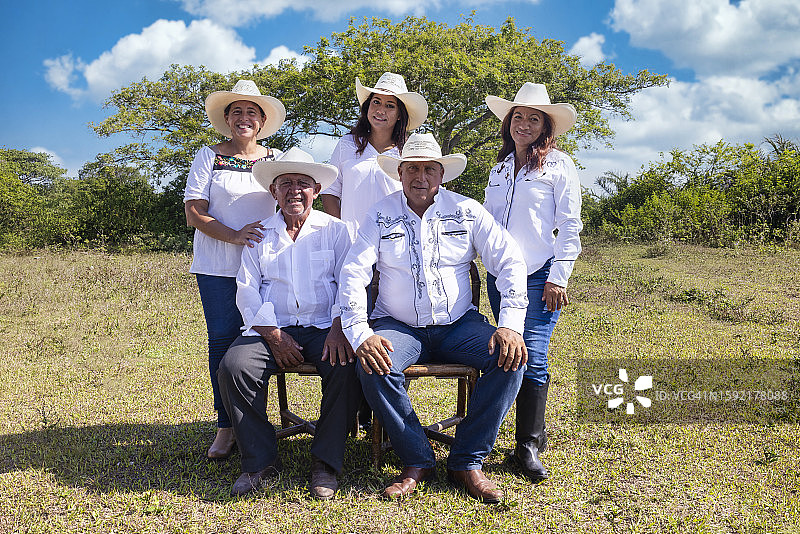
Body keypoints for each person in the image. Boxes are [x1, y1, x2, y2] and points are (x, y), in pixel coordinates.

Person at [338, 133, 530, 503]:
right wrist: (360, 332)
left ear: (441, 174)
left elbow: (509, 261)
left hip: (459, 325)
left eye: (429, 169)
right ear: (400, 172)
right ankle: (417, 459)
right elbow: (353, 273)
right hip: (398, 325)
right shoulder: (379, 214)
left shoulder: (466, 210)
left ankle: (467, 460)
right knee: (373, 365)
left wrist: (509, 324)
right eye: (412, 169)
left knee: (511, 359)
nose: (420, 177)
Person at [217, 147, 358, 499]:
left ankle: (325, 463)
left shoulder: (337, 230)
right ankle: (259, 462)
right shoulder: (259, 233)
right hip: (271, 328)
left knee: (345, 366)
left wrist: (341, 328)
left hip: (326, 325)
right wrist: (273, 334)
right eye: (286, 183)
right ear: (274, 192)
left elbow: (350, 284)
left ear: (316, 191)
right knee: (234, 366)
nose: (295, 190)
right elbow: (247, 289)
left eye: (303, 183)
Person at [483, 82, 583, 481]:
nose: (524, 124)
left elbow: (570, 226)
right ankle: (534, 435)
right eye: (518, 117)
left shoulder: (559, 165)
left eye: (533, 118)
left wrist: (558, 278)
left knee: (534, 354)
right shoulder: (500, 168)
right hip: (501, 276)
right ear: (509, 122)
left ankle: (526, 444)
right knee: (512, 350)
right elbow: (487, 224)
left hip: (540, 274)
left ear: (546, 126)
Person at [183, 79, 286, 459]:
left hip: (266, 266)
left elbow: (290, 201)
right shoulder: (208, 156)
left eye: (251, 112)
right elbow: (194, 213)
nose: (244, 118)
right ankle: (227, 426)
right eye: (237, 111)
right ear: (226, 119)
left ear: (261, 121)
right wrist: (234, 236)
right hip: (217, 266)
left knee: (262, 340)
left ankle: (255, 421)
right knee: (223, 342)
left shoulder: (274, 158)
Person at [321, 72, 428, 430]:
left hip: (396, 252)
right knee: (352, 327)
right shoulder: (347, 145)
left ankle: (378, 413)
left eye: (390, 105)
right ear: (367, 107)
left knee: (389, 332)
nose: (381, 110)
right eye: (376, 103)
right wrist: (345, 235)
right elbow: (330, 193)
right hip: (352, 251)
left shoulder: (408, 150)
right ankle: (349, 413)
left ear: (400, 114)